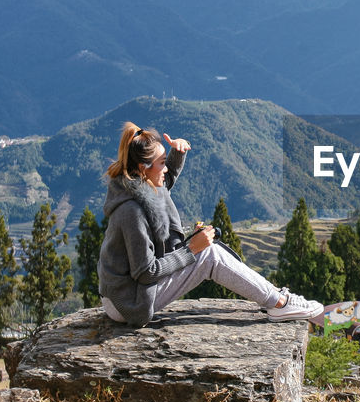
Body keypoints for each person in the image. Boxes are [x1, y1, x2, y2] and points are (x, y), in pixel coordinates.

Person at [97, 124, 322, 327]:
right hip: (127, 302)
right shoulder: (131, 212)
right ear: (143, 168)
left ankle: (272, 295)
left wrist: (177, 153)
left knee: (208, 251)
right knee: (209, 255)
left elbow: (166, 184)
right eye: (162, 163)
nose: (166, 170)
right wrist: (192, 248)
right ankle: (280, 303)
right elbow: (146, 272)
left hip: (127, 294)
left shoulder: (140, 189)